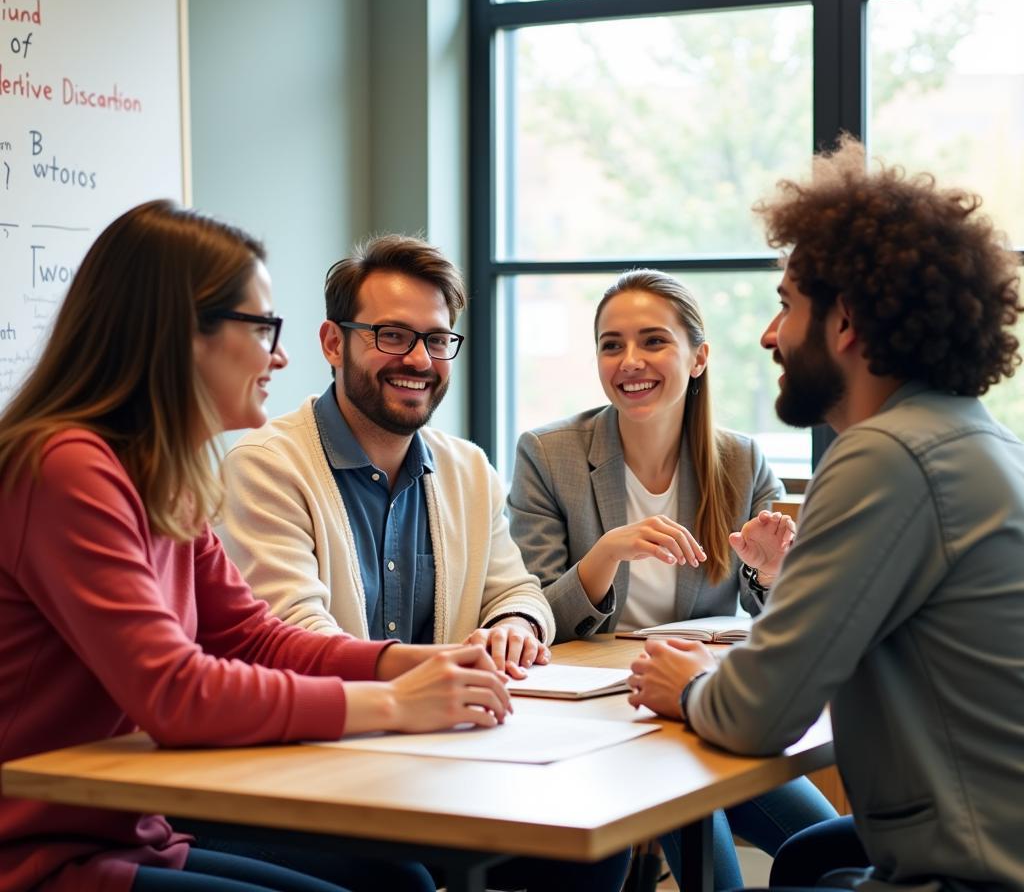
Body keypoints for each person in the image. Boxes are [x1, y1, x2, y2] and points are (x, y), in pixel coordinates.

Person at [0, 202, 516, 892]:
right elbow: (174, 691)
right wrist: (396, 703)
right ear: (181, 335)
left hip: (136, 830)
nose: (280, 355)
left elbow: (253, 638)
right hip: (39, 855)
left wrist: (407, 663)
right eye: (262, 328)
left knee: (401, 881)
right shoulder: (65, 467)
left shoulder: (162, 473)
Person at [628, 137, 1024, 890]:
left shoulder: (886, 455)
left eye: (786, 306)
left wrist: (685, 685)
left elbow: (757, 714)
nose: (770, 335)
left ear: (845, 323)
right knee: (812, 856)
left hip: (974, 872)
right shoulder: (977, 437)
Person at [218, 235, 628, 891]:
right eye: (391, 335)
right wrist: (418, 682)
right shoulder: (265, 466)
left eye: (438, 340)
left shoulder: (466, 466)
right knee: (400, 878)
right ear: (333, 342)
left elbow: (516, 591)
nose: (419, 359)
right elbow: (292, 638)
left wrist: (515, 629)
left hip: (436, 758)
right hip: (314, 767)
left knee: (595, 848)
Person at [507, 269, 835, 890]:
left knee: (824, 847)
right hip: (594, 714)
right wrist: (606, 554)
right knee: (705, 837)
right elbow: (529, 610)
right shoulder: (548, 454)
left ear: (699, 357)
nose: (630, 361)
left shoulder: (741, 459)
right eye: (611, 344)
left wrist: (766, 573)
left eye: (653, 341)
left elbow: (775, 620)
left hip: (693, 705)